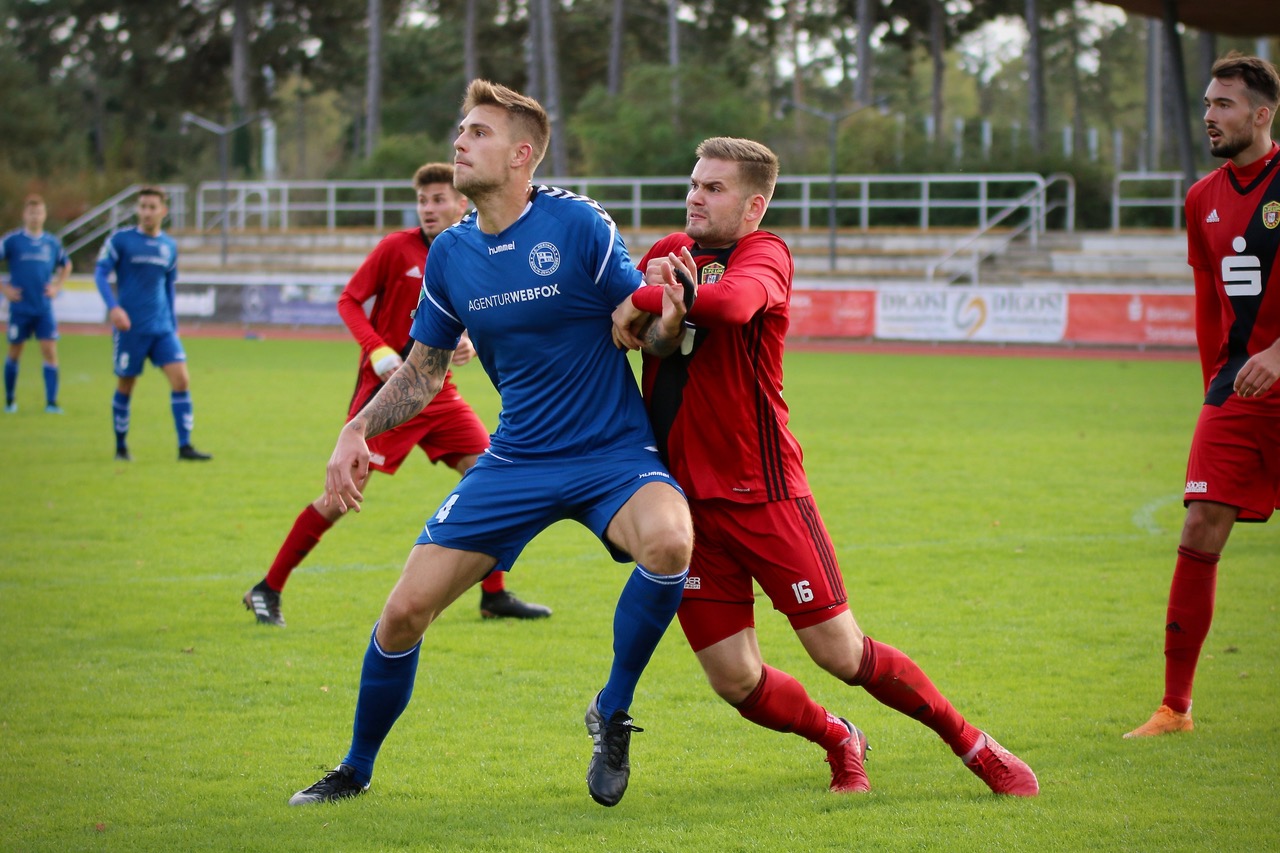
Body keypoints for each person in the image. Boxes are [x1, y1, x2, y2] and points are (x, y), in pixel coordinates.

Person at [288, 79, 694, 808]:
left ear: (520, 154)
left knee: (670, 543)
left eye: (476, 132)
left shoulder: (577, 224)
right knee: (403, 612)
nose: (460, 142)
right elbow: (423, 370)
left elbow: (641, 328)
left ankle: (613, 707)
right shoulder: (450, 255)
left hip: (611, 453)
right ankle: (355, 767)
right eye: (461, 130)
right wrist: (355, 428)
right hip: (516, 459)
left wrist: (669, 318)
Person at [612, 137, 1039, 796]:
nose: (696, 195)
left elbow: (726, 306)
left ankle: (973, 743)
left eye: (714, 187)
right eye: (694, 182)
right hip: (683, 507)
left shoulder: (766, 252)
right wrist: (651, 297)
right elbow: (627, 319)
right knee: (734, 680)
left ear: (754, 204)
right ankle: (839, 737)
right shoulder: (669, 251)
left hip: (765, 492)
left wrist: (654, 299)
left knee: (841, 653)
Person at [243, 163, 550, 627]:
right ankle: (268, 588)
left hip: (440, 391)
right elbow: (349, 300)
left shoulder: (474, 248)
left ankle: (494, 595)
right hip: (389, 393)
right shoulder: (395, 248)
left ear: (461, 202)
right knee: (342, 496)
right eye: (423, 201)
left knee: (489, 474)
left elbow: (475, 311)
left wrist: (467, 339)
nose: (429, 208)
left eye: (438, 199)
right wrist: (378, 350)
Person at [1125, 53, 1280, 739]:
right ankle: (1175, 707)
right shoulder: (1202, 198)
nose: (1210, 115)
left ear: (1262, 114)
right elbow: (1207, 307)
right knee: (1198, 526)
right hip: (1237, 391)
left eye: (1224, 104)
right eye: (1208, 104)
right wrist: (1211, 395)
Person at [94, 186, 212, 462]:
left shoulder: (168, 246)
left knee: (182, 379)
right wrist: (113, 308)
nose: (146, 212)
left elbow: (169, 286)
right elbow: (100, 274)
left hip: (161, 328)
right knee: (126, 384)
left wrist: (172, 323)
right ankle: (121, 448)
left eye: (151, 207)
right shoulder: (121, 240)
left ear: (163, 211)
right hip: (130, 328)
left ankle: (185, 447)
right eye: (142, 206)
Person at [2, 195, 72, 414]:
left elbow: (66, 264)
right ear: (25, 215)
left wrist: (57, 287)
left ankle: (51, 403)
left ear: (44, 215)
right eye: (31, 212)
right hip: (20, 307)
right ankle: (10, 401)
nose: (35, 216)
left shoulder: (51, 242)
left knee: (50, 351)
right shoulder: (12, 241)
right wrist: (4, 289)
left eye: (39, 212)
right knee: (15, 352)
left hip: (43, 308)